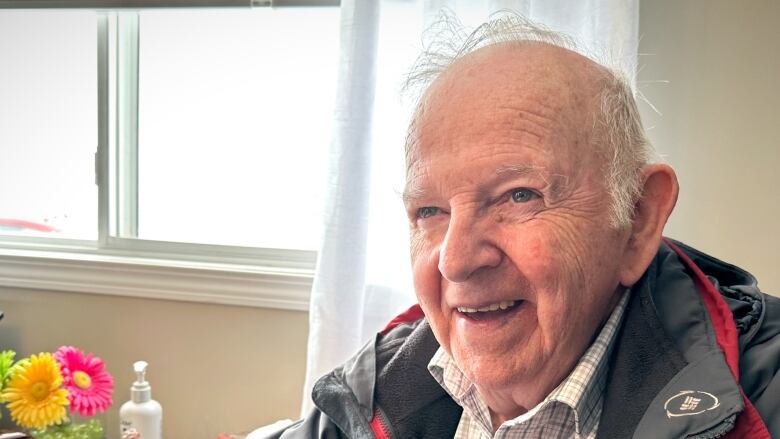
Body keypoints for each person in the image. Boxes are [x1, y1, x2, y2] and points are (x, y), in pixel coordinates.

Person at [266, 12, 779, 439]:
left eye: (519, 196)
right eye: (429, 211)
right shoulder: (375, 388)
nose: (456, 260)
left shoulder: (763, 393)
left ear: (637, 219)